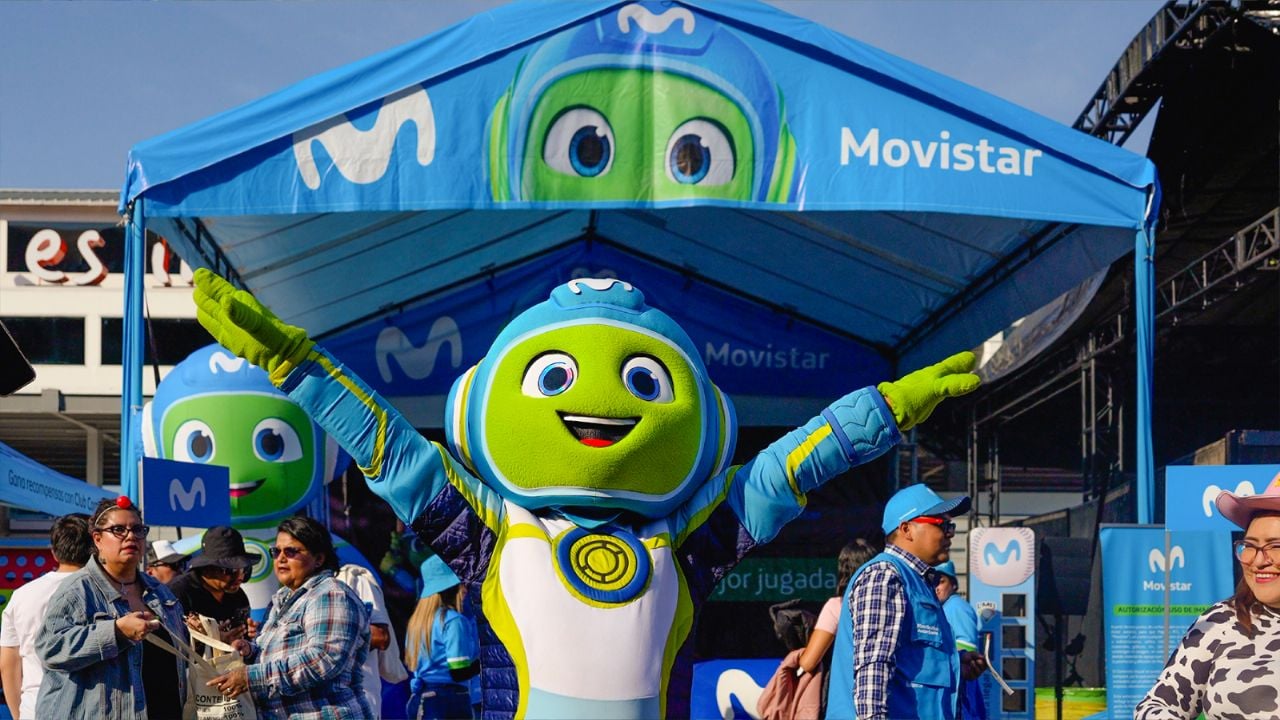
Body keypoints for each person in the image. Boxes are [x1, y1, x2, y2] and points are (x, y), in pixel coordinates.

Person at [827, 484, 987, 720]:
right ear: (906, 529)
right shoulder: (885, 576)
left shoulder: (918, 582)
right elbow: (874, 668)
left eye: (951, 526)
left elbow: (911, 664)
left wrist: (954, 665)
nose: (950, 533)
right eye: (942, 525)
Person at [1136, 477, 1280, 719]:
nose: (1258, 561)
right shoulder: (1222, 620)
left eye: (1276, 546)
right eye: (1250, 546)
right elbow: (1155, 707)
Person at [34, 497, 189, 719]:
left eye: (137, 529)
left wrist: (206, 637)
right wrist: (115, 632)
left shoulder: (159, 591)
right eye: (118, 530)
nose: (130, 536)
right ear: (97, 539)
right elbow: (50, 648)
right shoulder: (77, 591)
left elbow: (177, 651)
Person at [207, 514, 372, 719]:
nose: (281, 558)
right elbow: (283, 652)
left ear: (319, 559)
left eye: (291, 551)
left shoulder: (330, 594)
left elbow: (323, 660)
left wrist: (251, 677)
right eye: (276, 551)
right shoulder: (283, 598)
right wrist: (250, 651)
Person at [0, 513, 91, 719]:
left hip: (34, 708)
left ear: (54, 553)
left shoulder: (21, 595)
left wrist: (19, 714)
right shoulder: (102, 592)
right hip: (89, 709)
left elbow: (9, 664)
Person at [405, 555, 479, 720]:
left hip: (420, 699)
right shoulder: (454, 621)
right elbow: (459, 672)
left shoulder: (417, 623)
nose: (465, 588)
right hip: (449, 702)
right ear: (451, 587)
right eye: (461, 582)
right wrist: (485, 663)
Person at [338, 561, 410, 718]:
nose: (284, 558)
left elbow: (379, 637)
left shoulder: (353, 580)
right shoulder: (288, 599)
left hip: (357, 704)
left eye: (292, 551)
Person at [798, 538, 879, 676]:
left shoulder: (837, 606)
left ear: (843, 570)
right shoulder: (893, 603)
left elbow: (808, 662)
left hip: (848, 685)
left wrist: (796, 656)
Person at [169, 525, 255, 643]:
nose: (239, 576)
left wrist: (252, 639)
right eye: (231, 570)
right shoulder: (177, 593)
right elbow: (169, 640)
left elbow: (242, 640)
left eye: (244, 568)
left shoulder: (238, 597)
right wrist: (211, 641)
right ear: (207, 568)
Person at [934, 560, 987, 720]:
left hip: (962, 687)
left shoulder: (956, 606)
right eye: (933, 582)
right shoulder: (943, 607)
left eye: (941, 581)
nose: (936, 587)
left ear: (954, 585)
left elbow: (968, 651)